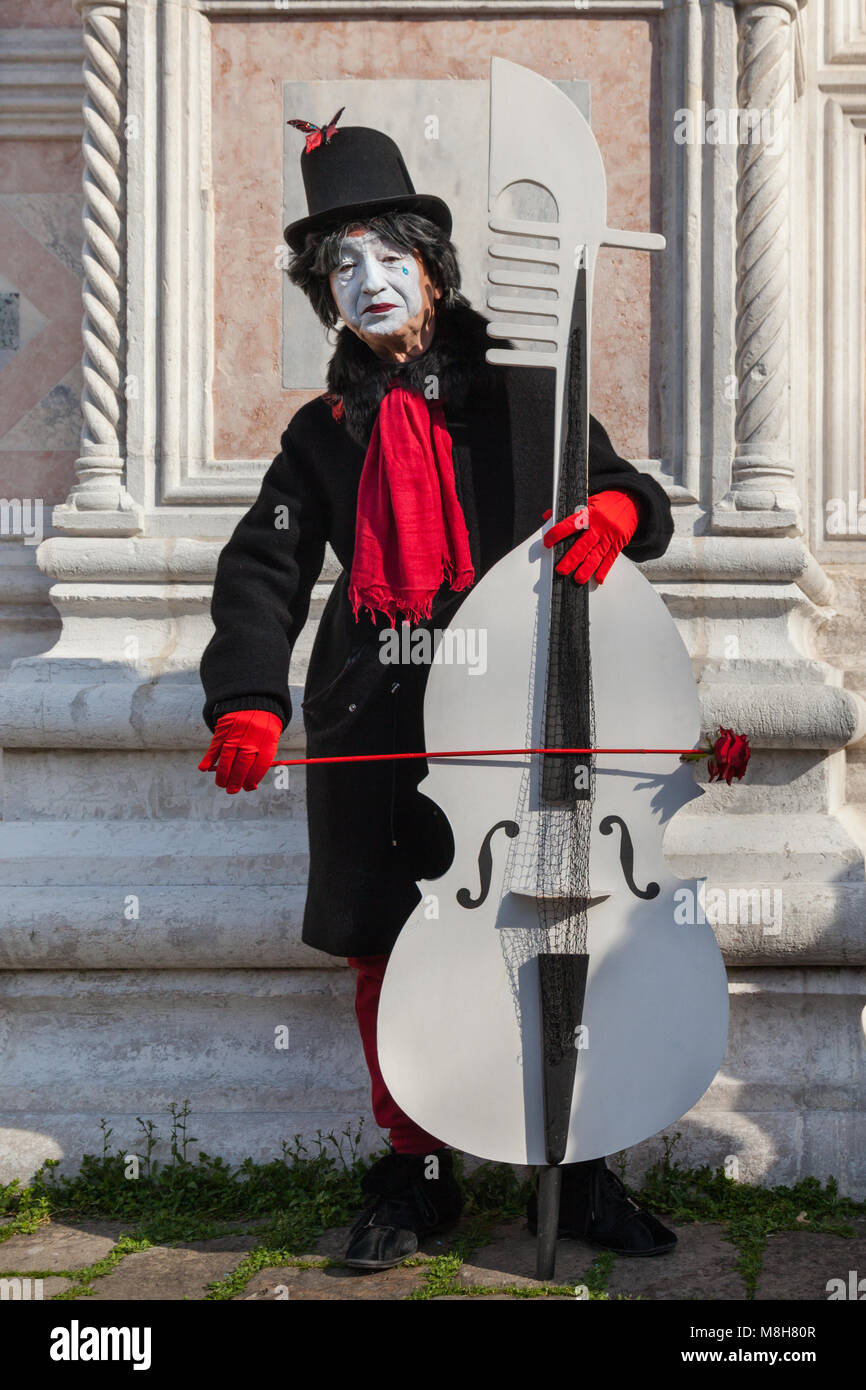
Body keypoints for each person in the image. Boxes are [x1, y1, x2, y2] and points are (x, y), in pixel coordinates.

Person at [198, 119, 678, 1269]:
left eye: (385, 257)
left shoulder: (522, 395)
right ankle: (414, 1171)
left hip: (526, 722)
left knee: (555, 928)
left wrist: (614, 512)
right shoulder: (320, 436)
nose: (365, 284)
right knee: (395, 949)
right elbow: (260, 568)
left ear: (433, 268)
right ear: (327, 298)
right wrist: (248, 698)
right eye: (339, 268)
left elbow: (627, 494)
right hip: (377, 723)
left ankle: (576, 1162)